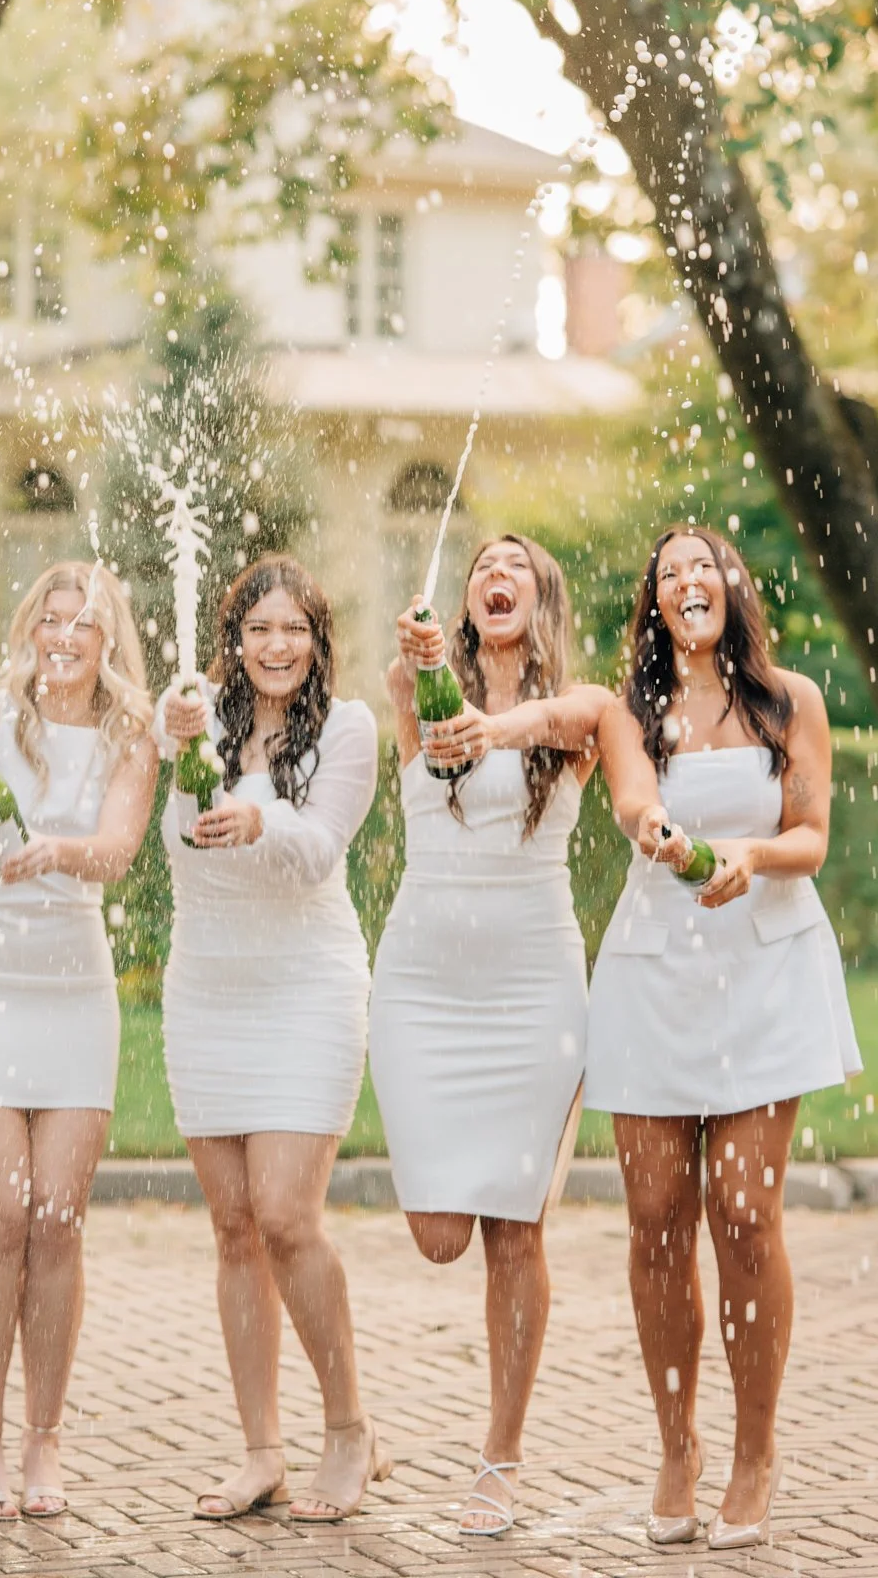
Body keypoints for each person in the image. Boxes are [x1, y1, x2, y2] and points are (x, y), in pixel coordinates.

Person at [587, 525, 861, 1552]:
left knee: (743, 1212)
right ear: (655, 601)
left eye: (703, 566)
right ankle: (677, 1443)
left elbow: (811, 835)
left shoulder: (790, 698)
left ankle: (755, 1447)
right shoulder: (631, 709)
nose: (687, 581)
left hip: (766, 968)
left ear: (731, 587)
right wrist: (656, 830)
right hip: (653, 973)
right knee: (656, 1212)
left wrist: (745, 851)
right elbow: (630, 797)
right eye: (668, 572)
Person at [368, 535, 610, 1538]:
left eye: (519, 566)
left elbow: (578, 714)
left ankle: (499, 1461)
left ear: (542, 598)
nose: (496, 575)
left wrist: (492, 725)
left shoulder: (579, 710)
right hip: (424, 981)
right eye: (482, 566)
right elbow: (416, 676)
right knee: (437, 1236)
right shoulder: (416, 686)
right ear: (466, 599)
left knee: (517, 1230)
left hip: (531, 985)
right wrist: (425, 652)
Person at [0, 562, 158, 1522]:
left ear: (108, 642)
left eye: (84, 625)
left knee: (59, 1214)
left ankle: (44, 1438)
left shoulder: (128, 733)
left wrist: (55, 852)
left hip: (71, 990)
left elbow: (117, 850)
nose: (64, 637)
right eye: (50, 619)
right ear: (30, 628)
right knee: (3, 1214)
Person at [156, 555, 387, 1523]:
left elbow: (318, 850)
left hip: (306, 986)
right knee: (233, 1227)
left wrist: (257, 815)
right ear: (234, 638)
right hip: (208, 985)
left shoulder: (348, 726)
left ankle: (348, 1430)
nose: (276, 645)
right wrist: (173, 751)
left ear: (317, 637)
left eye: (294, 628)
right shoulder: (194, 716)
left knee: (288, 1213)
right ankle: (261, 1450)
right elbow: (175, 842)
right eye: (259, 629)